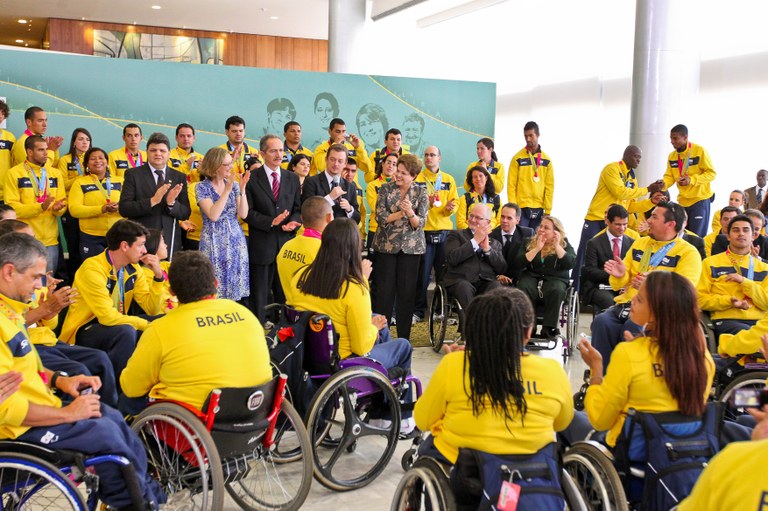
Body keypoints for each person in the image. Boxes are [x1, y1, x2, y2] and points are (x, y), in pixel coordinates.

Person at [0, 232, 164, 509]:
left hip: (38, 408)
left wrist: (61, 381)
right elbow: (7, 408)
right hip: (16, 431)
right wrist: (66, 413)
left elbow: (28, 368)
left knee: (111, 418)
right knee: (106, 437)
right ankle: (136, 503)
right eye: (35, 277)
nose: (40, 284)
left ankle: (148, 495)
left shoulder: (12, 312)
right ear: (8, 272)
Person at [414, 287, 573, 465]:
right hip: (533, 473)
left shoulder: (456, 365)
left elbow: (423, 420)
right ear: (529, 332)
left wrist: (455, 366)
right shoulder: (552, 370)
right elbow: (562, 423)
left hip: (467, 473)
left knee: (428, 448)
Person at [290, 218, 414, 432]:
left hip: (309, 356)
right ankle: (393, 415)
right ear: (353, 249)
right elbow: (361, 347)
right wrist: (373, 325)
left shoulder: (300, 277)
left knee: (380, 327)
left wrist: (374, 324)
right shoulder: (354, 289)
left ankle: (380, 406)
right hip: (344, 363)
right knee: (402, 346)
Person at [120, 251, 272, 414]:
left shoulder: (161, 328)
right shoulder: (245, 313)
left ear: (171, 292)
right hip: (255, 409)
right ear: (216, 283)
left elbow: (131, 387)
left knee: (126, 401)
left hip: (198, 418)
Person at [577, 271, 714, 449]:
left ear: (658, 312)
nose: (632, 301)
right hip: (685, 450)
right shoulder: (703, 358)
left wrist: (596, 371)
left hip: (634, 454)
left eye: (640, 299)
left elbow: (599, 419)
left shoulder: (628, 354)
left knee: (572, 422)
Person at [0, 220, 118, 408]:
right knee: (78, 370)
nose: (34, 244)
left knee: (100, 359)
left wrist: (50, 306)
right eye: (27, 239)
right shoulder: (11, 286)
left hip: (46, 341)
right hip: (29, 348)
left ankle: (109, 413)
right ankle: (76, 420)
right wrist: (44, 309)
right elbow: (13, 326)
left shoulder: (34, 280)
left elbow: (50, 324)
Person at [590, 201, 702, 369]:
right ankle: (603, 378)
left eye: (654, 217)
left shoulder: (688, 253)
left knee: (633, 325)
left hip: (660, 311)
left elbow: (684, 291)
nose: (648, 220)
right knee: (601, 322)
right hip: (628, 304)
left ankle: (631, 380)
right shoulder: (640, 244)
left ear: (670, 224)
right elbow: (619, 283)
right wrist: (620, 275)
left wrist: (654, 285)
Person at [60, 219, 166, 384]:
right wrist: (148, 326)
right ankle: (119, 388)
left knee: (165, 320)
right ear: (124, 246)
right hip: (84, 329)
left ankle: (155, 381)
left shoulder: (134, 269)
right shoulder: (93, 269)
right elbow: (107, 318)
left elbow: (151, 309)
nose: (145, 250)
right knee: (126, 331)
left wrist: (158, 277)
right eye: (141, 245)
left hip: (116, 323)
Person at [573, 146, 663, 291]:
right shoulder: (612, 169)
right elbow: (620, 192)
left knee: (612, 257)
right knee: (584, 256)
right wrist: (648, 189)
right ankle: (575, 290)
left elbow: (631, 206)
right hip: (597, 219)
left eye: (640, 157)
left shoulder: (632, 177)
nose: (639, 160)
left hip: (616, 223)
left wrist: (651, 202)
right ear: (626, 155)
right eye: (636, 156)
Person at [243, 135, 302, 322]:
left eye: (280, 150)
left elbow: (298, 208)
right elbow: (247, 213)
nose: (279, 155)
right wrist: (271, 222)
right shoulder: (252, 179)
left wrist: (293, 221)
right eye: (273, 151)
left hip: (286, 246)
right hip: (262, 245)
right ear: (262, 154)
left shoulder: (292, 178)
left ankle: (284, 333)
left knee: (284, 294)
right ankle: (258, 333)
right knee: (259, 296)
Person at [371, 153, 428, 339]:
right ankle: (381, 336)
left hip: (411, 250)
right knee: (384, 294)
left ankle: (404, 337)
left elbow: (420, 223)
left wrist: (411, 213)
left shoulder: (421, 192)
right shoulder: (385, 189)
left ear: (414, 176)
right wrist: (400, 214)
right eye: (398, 170)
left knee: (407, 294)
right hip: (386, 247)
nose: (398, 175)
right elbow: (380, 218)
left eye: (404, 173)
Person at [119, 132, 190, 256]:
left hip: (170, 241)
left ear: (169, 153)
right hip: (141, 240)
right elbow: (124, 209)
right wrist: (152, 201)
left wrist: (171, 203)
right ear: (146, 152)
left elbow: (185, 213)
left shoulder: (179, 177)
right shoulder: (133, 174)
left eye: (162, 151)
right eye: (153, 150)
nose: (158, 154)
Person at [698, 214, 768, 340]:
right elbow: (699, 299)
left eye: (746, 230)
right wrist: (729, 301)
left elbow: (766, 302)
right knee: (753, 337)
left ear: (753, 236)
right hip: (727, 321)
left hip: (760, 323)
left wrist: (744, 281)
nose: (741, 233)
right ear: (728, 236)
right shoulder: (710, 263)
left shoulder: (764, 268)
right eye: (736, 230)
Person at [3, 135, 67, 271]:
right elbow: (12, 209)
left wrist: (57, 209)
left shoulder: (55, 174)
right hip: (25, 240)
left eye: (46, 149)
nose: (46, 153)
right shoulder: (14, 173)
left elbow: (62, 204)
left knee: (47, 284)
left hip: (50, 241)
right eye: (41, 150)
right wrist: (40, 207)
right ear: (30, 152)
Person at [196, 146, 250, 303]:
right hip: (213, 241)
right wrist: (226, 191)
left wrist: (242, 190)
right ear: (215, 165)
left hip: (235, 240)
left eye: (231, 163)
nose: (231, 167)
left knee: (234, 284)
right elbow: (213, 215)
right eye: (227, 164)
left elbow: (243, 214)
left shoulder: (233, 185)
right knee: (214, 285)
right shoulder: (202, 187)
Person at [413, 146, 458, 321]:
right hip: (424, 232)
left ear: (440, 158)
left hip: (444, 231)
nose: (428, 158)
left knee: (444, 274)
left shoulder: (448, 179)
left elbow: (454, 204)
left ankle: (441, 311)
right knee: (422, 275)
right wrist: (429, 204)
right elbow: (415, 207)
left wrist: (448, 209)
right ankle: (418, 311)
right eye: (426, 155)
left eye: (432, 155)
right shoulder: (418, 179)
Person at [515, 216, 576, 338]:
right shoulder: (528, 242)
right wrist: (537, 248)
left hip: (555, 278)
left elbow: (570, 263)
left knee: (556, 290)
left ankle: (548, 329)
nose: (541, 229)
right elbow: (518, 263)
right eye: (541, 226)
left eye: (546, 228)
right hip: (532, 276)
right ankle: (528, 327)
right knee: (524, 286)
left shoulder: (565, 244)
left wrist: (557, 246)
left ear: (556, 232)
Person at [442, 203, 506, 314]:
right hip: (460, 280)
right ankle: (471, 326)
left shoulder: (495, 243)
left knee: (496, 286)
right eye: (471, 216)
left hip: (486, 281)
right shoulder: (456, 235)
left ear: (488, 222)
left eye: (478, 217)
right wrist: (475, 241)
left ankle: (487, 324)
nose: (472, 219)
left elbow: (502, 268)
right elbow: (452, 258)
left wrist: (487, 250)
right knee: (464, 287)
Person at [68, 147, 123, 261]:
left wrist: (119, 208)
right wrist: (101, 209)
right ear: (87, 164)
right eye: (93, 159)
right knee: (94, 272)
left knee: (118, 272)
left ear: (107, 162)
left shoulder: (120, 181)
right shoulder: (80, 183)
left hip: (118, 235)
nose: (97, 161)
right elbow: (74, 210)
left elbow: (129, 205)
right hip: (91, 237)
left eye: (101, 158)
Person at [661, 124, 716, 238]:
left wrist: (692, 180)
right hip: (682, 202)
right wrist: (662, 185)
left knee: (696, 238)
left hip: (699, 200)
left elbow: (711, 174)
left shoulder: (699, 151)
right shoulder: (672, 156)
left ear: (685, 138)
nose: (672, 141)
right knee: (682, 237)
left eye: (675, 138)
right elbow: (669, 176)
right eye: (671, 138)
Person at [277, 196, 333, 305]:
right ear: (329, 217)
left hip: (291, 311)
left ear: (302, 218)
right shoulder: (327, 250)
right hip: (317, 315)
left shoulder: (286, 246)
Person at [581, 205, 635, 312]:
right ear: (607, 222)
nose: (622, 228)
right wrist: (616, 276)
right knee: (610, 302)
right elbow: (590, 271)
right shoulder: (593, 243)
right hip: (600, 287)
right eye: (618, 224)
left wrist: (627, 283)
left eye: (625, 224)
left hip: (626, 287)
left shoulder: (632, 243)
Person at [507, 121, 554, 230]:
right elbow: (511, 185)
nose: (528, 139)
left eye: (531, 135)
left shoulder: (547, 160)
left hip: (539, 208)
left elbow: (549, 187)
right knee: (520, 240)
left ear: (538, 135)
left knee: (537, 239)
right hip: (521, 208)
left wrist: (547, 210)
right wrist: (514, 208)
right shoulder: (517, 158)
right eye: (525, 136)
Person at [303, 143, 361, 221]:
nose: (336, 164)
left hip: (342, 231)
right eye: (332, 159)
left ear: (345, 163)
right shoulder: (311, 182)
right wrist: (330, 198)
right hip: (320, 231)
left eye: (340, 161)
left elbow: (357, 219)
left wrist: (349, 209)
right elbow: (307, 212)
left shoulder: (350, 186)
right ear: (326, 159)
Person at [312, 118, 373, 182]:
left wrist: (358, 147)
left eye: (343, 131)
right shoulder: (321, 148)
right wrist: (335, 144)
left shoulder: (352, 147)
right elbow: (322, 167)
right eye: (338, 131)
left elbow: (367, 168)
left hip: (352, 187)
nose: (341, 134)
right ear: (330, 131)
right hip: (332, 187)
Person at [490, 202, 534, 285]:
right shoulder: (491, 235)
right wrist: (498, 276)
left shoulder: (527, 234)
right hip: (497, 278)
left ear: (517, 220)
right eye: (502, 217)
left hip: (519, 278)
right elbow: (489, 262)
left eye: (509, 218)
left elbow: (527, 262)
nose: (504, 221)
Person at [456, 165, 501, 229]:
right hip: (470, 236)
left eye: (481, 176)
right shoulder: (465, 198)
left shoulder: (496, 198)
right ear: (472, 180)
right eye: (475, 177)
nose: (478, 179)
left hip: (491, 235)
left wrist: (490, 232)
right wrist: (474, 232)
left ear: (486, 178)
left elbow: (500, 222)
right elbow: (460, 223)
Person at [342, 157, 366, 240]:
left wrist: (362, 236)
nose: (349, 174)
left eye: (353, 171)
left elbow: (362, 213)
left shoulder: (358, 188)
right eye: (346, 170)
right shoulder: (333, 185)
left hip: (353, 232)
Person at [0, 100, 16, 205]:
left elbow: (15, 164)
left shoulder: (9, 137)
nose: (0, 116)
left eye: (3, 113)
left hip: (4, 194)